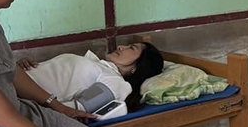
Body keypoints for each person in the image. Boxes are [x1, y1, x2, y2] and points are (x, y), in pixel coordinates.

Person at [17, 42, 164, 120]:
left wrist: (34, 112)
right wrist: (25, 67)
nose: (121, 46)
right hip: (14, 79)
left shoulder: (115, 82)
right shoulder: (100, 66)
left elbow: (76, 108)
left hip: (18, 95)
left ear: (138, 67)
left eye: (131, 48)